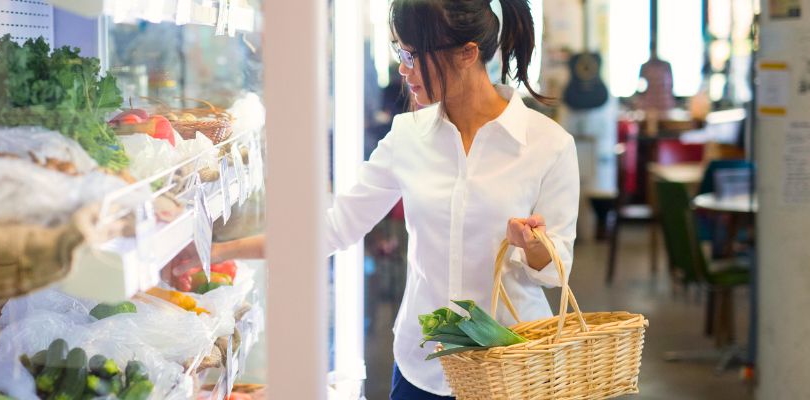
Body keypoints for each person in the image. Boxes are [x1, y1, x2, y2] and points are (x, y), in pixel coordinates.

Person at [165, 0, 579, 398]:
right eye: (400, 51)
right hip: (423, 367)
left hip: (514, 368)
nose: (403, 68)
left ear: (467, 54)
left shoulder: (547, 146)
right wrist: (211, 249)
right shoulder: (407, 137)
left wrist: (533, 246)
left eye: (414, 55)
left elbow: (555, 272)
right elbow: (332, 229)